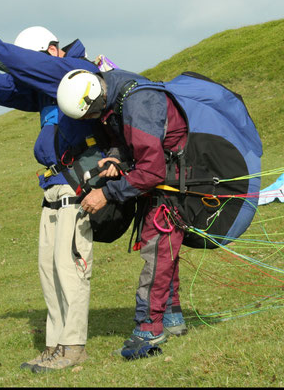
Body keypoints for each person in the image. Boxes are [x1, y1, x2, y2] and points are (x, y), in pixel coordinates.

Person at [0, 24, 121, 373]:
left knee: (70, 269)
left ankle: (74, 347)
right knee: (49, 271)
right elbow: (4, 86)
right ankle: (54, 346)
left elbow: (15, 64)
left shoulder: (71, 73)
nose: (27, 69)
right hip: (52, 190)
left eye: (32, 61)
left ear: (50, 53)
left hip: (78, 188)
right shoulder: (47, 88)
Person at [56, 68, 189, 360]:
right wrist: (116, 155)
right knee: (165, 250)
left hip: (171, 184)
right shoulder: (113, 92)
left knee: (157, 251)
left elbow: (152, 169)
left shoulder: (138, 103)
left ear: (95, 100)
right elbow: (128, 138)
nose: (92, 121)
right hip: (163, 180)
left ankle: (148, 330)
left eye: (91, 116)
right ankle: (172, 317)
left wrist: (106, 193)